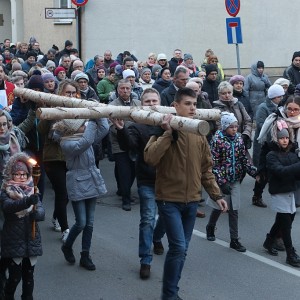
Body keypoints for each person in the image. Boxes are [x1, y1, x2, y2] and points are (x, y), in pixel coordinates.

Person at [144, 87, 227, 300]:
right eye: (188, 104)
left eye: (194, 104)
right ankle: (169, 295)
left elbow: (205, 169)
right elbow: (151, 159)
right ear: (175, 106)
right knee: (179, 248)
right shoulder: (161, 129)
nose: (192, 108)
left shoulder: (198, 133)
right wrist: (167, 134)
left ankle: (172, 292)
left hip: (192, 202)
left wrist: (216, 195)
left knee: (182, 250)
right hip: (168, 200)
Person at [112, 88, 166, 279]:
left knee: (166, 218)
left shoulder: (170, 122)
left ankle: (157, 237)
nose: (152, 104)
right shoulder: (136, 125)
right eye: (148, 101)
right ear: (142, 105)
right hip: (147, 180)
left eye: (154, 101)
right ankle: (145, 260)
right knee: (147, 219)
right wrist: (121, 130)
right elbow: (129, 145)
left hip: (169, 181)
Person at [54, 117, 108, 270]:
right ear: (71, 129)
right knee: (81, 222)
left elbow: (104, 129)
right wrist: (91, 121)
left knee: (90, 223)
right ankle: (68, 245)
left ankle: (85, 254)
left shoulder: (86, 136)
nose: (85, 125)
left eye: (85, 124)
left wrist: (99, 115)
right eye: (81, 124)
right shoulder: (66, 142)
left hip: (91, 178)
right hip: (77, 182)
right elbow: (84, 144)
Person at [206, 112, 257, 252]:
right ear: (224, 127)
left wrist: (254, 172)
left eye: (236, 126)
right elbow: (214, 164)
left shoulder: (239, 139)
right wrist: (221, 182)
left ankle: (234, 239)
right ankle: (210, 226)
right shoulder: (217, 140)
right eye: (231, 127)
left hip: (235, 179)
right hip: (222, 179)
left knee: (234, 210)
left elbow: (243, 158)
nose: (234, 129)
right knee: (220, 207)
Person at [38, 80, 78, 241]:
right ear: (61, 93)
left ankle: (56, 217)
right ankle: (66, 229)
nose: (70, 95)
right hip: (53, 157)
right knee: (62, 192)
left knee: (66, 194)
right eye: (67, 92)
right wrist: (48, 113)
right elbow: (41, 130)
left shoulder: (77, 109)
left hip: (70, 155)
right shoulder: (51, 108)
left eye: (72, 93)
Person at [0, 152, 45, 299]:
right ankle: (8, 295)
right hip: (14, 239)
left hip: (31, 240)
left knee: (29, 278)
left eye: (24, 174)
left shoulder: (33, 190)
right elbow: (8, 207)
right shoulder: (6, 191)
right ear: (11, 175)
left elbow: (41, 213)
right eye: (18, 174)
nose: (21, 177)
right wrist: (27, 202)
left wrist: (35, 213)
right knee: (15, 277)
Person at [263, 120, 300, 267]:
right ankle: (290, 254)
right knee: (286, 224)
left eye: (286, 138)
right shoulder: (271, 155)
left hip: (290, 191)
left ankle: (269, 241)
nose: (284, 140)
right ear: (276, 139)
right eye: (281, 138)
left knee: (285, 219)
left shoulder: (292, 154)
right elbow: (281, 172)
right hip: (279, 192)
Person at [109, 79, 141, 211]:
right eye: (122, 88)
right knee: (124, 171)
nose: (125, 91)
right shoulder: (112, 105)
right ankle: (125, 199)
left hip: (135, 143)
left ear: (131, 89)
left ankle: (123, 190)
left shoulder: (138, 103)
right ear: (118, 90)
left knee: (133, 170)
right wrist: (127, 130)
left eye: (128, 88)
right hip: (119, 144)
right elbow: (112, 127)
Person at [212, 81, 253, 149]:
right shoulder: (216, 109)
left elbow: (248, 121)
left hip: (242, 142)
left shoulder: (238, 104)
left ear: (232, 93)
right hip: (225, 144)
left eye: (229, 92)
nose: (227, 95)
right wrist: (235, 137)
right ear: (219, 94)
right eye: (224, 93)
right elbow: (219, 127)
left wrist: (245, 134)